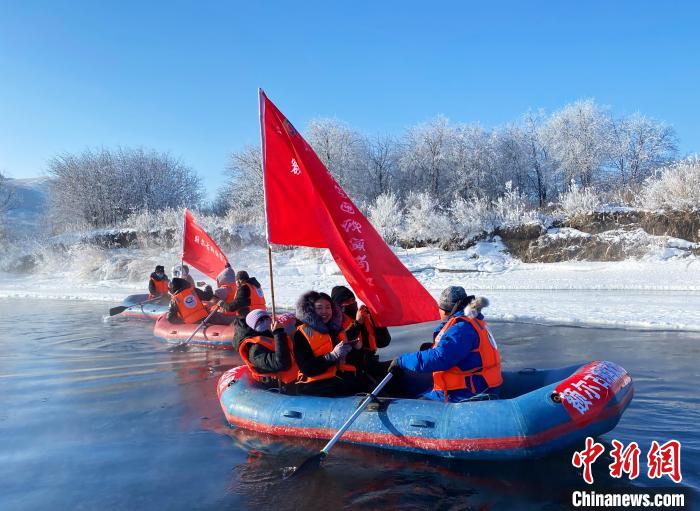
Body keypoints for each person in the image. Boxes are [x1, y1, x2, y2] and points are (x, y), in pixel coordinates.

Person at [388, 286, 502, 403]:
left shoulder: (461, 328)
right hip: (483, 385)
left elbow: (440, 358)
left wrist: (402, 361)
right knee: (416, 386)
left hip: (465, 394)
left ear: (445, 310)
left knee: (411, 405)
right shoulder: (473, 320)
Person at [293, 290, 370, 397]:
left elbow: (352, 362)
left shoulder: (335, 331)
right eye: (319, 308)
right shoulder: (300, 335)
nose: (324, 311)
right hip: (314, 387)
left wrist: (358, 349)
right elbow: (307, 368)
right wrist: (332, 356)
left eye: (328, 307)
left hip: (338, 382)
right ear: (311, 310)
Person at [330, 285, 391, 379]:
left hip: (370, 364)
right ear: (337, 305)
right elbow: (341, 341)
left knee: (398, 366)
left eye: (353, 300)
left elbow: (384, 342)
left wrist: (377, 322)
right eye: (346, 301)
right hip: (350, 372)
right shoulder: (334, 323)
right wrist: (357, 323)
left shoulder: (364, 316)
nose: (351, 303)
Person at [238, 310, 298, 389]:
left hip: (297, 379)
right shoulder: (255, 349)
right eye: (260, 321)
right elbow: (282, 364)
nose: (265, 322)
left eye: (266, 318)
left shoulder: (277, 336)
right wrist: (278, 333)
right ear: (253, 327)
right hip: (280, 386)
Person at [166, 277, 235, 325]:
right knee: (227, 318)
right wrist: (208, 287)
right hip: (206, 318)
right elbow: (208, 296)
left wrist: (181, 321)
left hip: (192, 323)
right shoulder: (193, 290)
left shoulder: (174, 300)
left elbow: (170, 318)